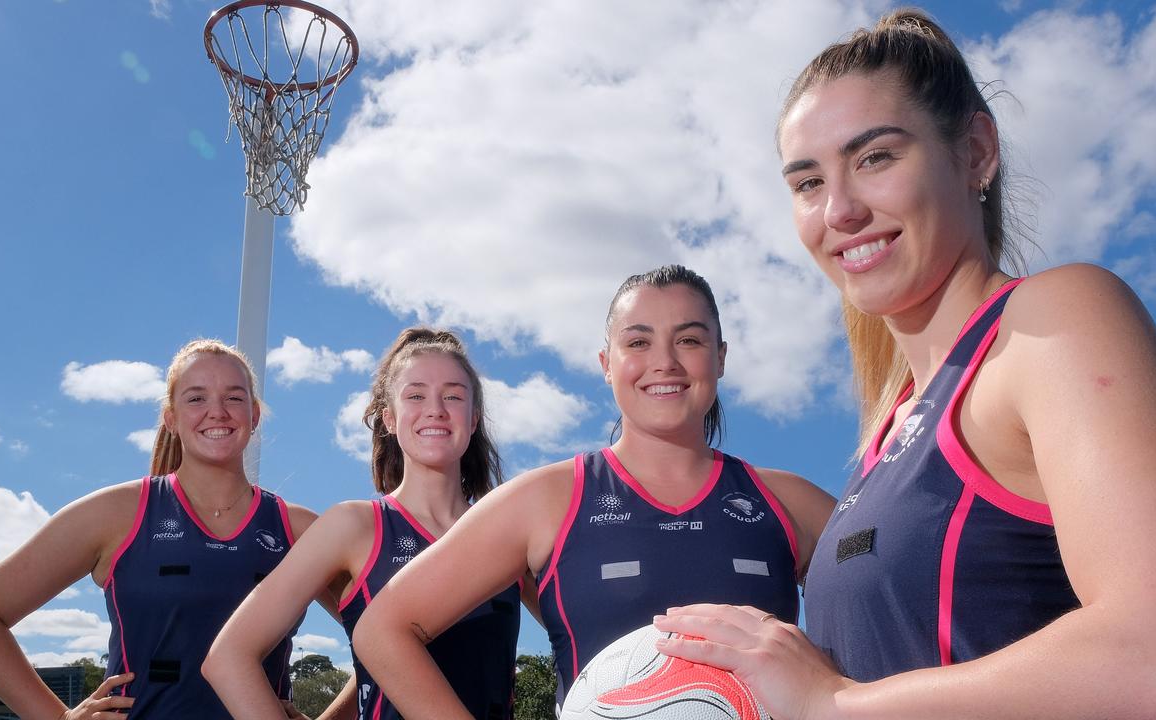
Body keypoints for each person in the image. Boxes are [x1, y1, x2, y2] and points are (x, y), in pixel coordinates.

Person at [653, 10, 1156, 719]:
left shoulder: (1053, 321)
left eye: (876, 158)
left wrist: (833, 703)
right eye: (806, 183)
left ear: (977, 151)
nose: (838, 210)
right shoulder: (888, 431)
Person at [353, 265, 836, 717]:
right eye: (638, 342)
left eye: (688, 339)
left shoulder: (789, 503)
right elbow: (382, 630)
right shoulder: (547, 499)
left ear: (720, 357)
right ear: (607, 363)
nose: (664, 362)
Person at [0, 339, 347, 719]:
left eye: (234, 397)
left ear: (254, 415)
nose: (217, 411)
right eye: (196, 398)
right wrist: (57, 717)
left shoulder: (300, 529)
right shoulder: (115, 514)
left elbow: (383, 632)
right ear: (170, 417)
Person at [204, 327, 523, 720]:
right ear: (389, 417)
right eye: (416, 395)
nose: (436, 409)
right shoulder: (354, 526)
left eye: (453, 396)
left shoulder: (506, 531)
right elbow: (229, 656)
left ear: (473, 419)